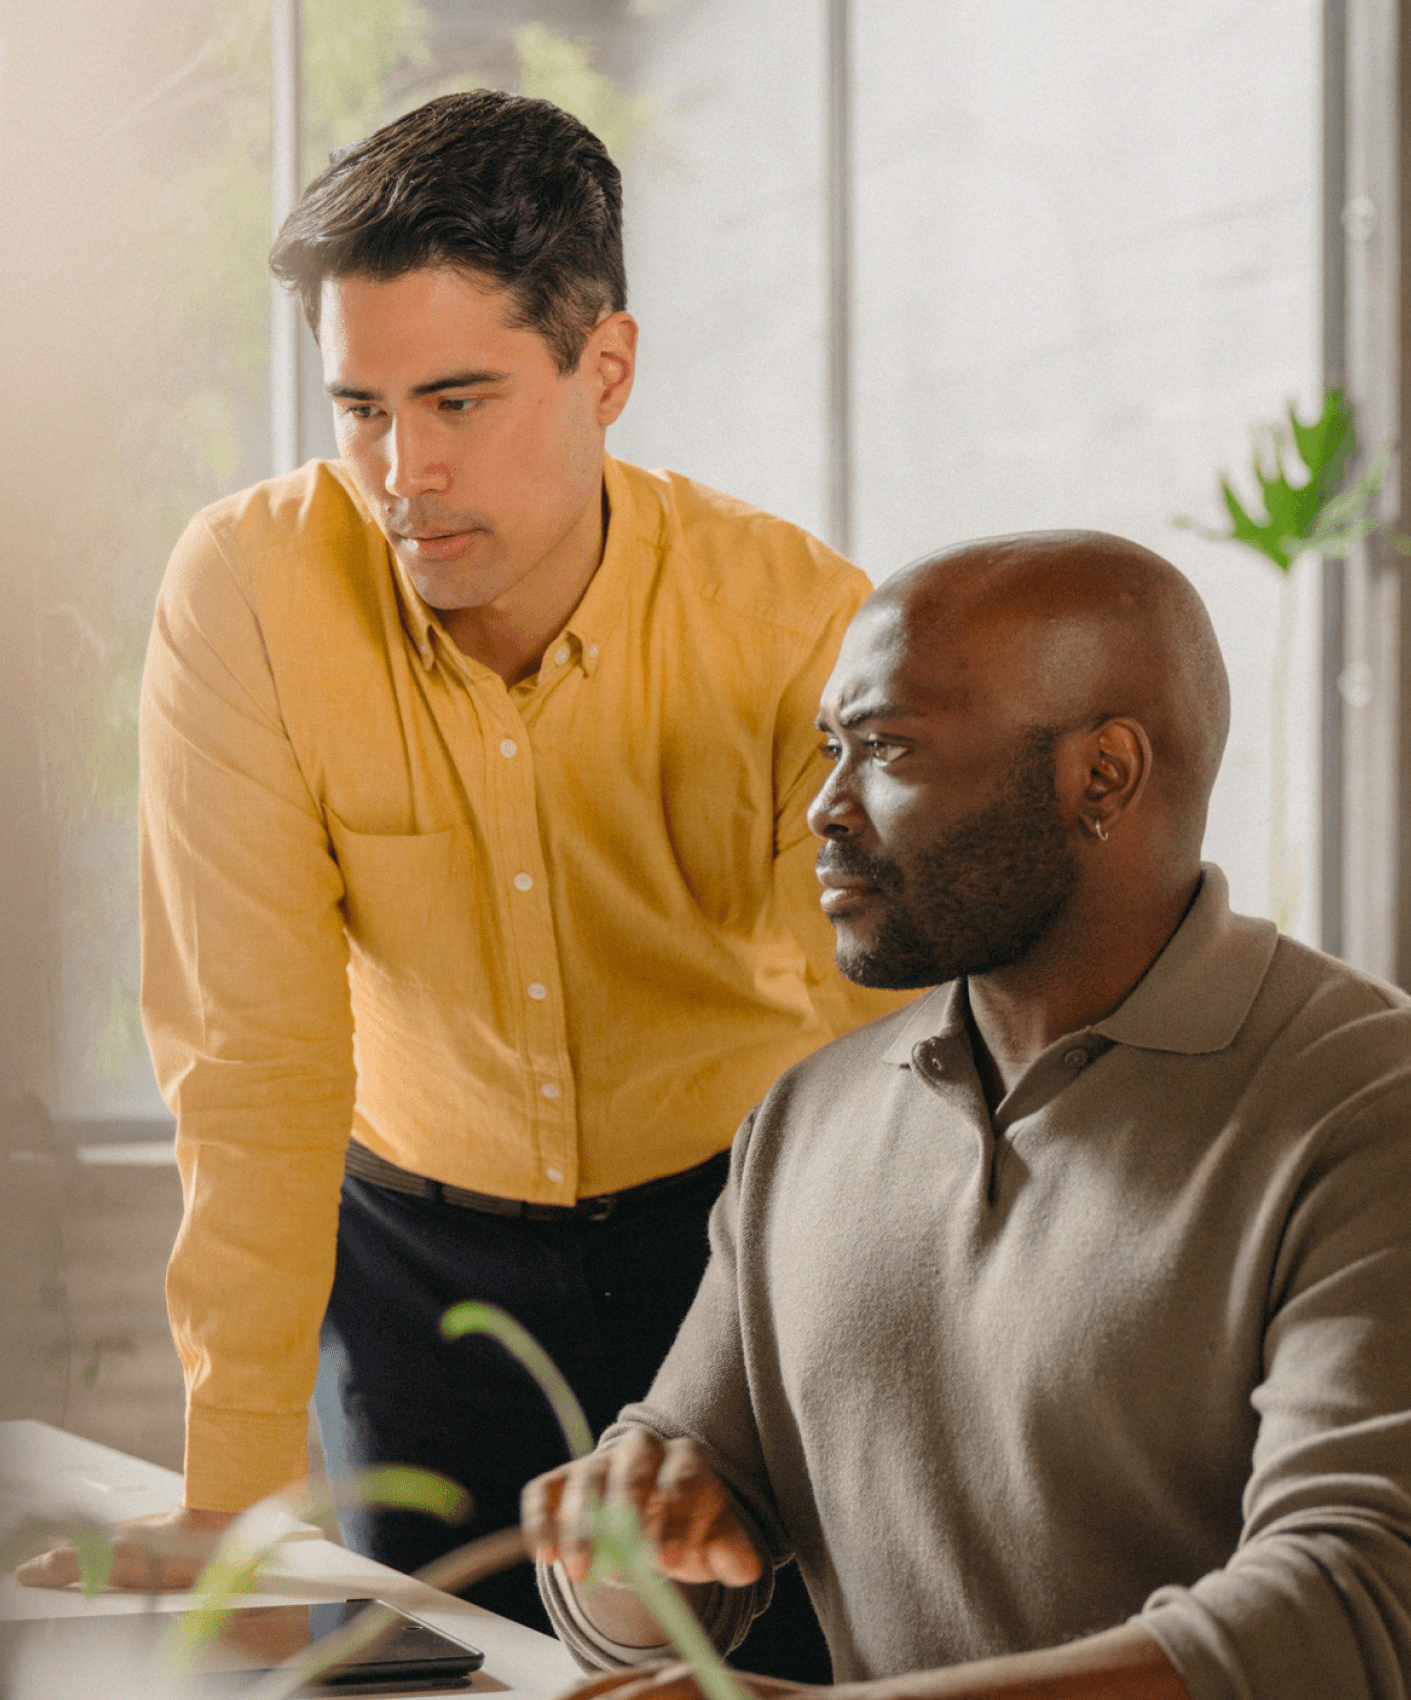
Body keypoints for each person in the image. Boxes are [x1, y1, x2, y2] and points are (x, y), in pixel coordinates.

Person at [16, 90, 909, 1664]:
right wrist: (235, 1499)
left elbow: (883, 1075)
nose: (402, 470)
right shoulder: (251, 595)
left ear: (605, 370)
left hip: (731, 1254)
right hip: (413, 1275)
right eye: (360, 409)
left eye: (456, 400)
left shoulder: (797, 631)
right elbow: (254, 1058)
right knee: (429, 1680)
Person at [523, 531, 1411, 1700]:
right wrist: (628, 1548)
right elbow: (653, 1577)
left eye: (888, 749)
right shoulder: (808, 1118)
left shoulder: (1379, 1106)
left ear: (1102, 773)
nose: (824, 808)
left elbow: (1357, 1615)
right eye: (832, 748)